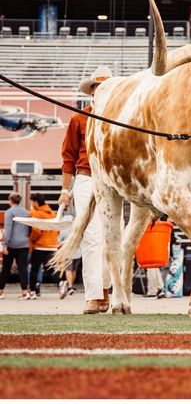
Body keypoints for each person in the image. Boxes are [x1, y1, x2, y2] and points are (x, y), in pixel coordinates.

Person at [59, 65, 112, 314]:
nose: (101, 91)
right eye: (98, 87)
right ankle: (93, 295)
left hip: (113, 181)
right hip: (86, 178)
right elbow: (68, 156)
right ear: (92, 91)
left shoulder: (121, 119)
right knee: (92, 237)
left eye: (106, 87)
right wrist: (64, 190)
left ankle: (105, 291)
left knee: (112, 238)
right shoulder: (78, 118)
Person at [28, 192, 60, 299]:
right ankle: (61, 283)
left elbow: (36, 231)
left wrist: (31, 240)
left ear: (36, 202)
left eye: (32, 202)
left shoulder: (37, 214)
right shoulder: (52, 213)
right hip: (52, 245)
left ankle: (32, 291)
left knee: (34, 270)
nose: (31, 204)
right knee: (50, 269)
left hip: (40, 246)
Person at [0, 192, 31, 300]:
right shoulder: (26, 212)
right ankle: (25, 291)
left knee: (6, 268)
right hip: (24, 243)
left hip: (12, 244)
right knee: (23, 268)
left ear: (10, 200)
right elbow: (30, 228)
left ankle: (1, 291)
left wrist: (4, 245)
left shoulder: (9, 212)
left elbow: (8, 230)